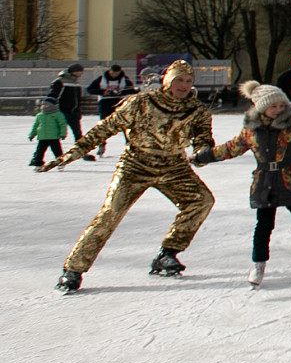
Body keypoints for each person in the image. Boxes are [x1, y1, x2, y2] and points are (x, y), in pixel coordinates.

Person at [47, 60, 216, 293]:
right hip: (135, 165)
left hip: (173, 166)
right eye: (179, 79)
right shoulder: (142, 102)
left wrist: (202, 152)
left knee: (201, 200)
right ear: (168, 80)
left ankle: (167, 254)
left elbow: (203, 138)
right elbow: (105, 128)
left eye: (188, 81)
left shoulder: (197, 111)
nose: (184, 85)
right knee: (110, 213)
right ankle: (73, 270)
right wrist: (75, 151)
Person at [193, 81, 291, 285]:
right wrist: (204, 156)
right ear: (261, 108)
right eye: (274, 106)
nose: (279, 110)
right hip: (265, 182)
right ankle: (258, 265)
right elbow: (231, 148)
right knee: (264, 225)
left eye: (282, 105)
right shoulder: (251, 130)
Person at [86, 64, 137, 156]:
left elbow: (132, 90)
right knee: (104, 127)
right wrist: (102, 92)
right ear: (110, 71)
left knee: (125, 126)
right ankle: (101, 145)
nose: (114, 75)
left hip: (119, 104)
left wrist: (121, 92)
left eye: (116, 73)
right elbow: (89, 89)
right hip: (104, 105)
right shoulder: (101, 79)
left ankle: (130, 146)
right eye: (113, 73)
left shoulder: (125, 79)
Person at [47, 63, 94, 159]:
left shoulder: (75, 82)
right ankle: (57, 154)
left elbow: (77, 98)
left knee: (78, 134)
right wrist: (50, 108)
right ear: (74, 72)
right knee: (56, 133)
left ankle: (82, 152)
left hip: (74, 112)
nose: (81, 74)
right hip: (62, 112)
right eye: (80, 71)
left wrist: (78, 110)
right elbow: (53, 95)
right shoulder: (60, 82)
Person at [29, 96, 69, 170]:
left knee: (57, 151)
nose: (43, 107)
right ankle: (38, 163)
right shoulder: (40, 115)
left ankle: (60, 163)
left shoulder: (57, 114)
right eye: (42, 105)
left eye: (46, 105)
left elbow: (62, 124)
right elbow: (35, 126)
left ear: (52, 106)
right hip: (42, 137)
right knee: (39, 152)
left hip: (53, 137)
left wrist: (63, 134)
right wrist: (32, 135)